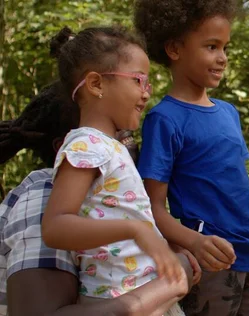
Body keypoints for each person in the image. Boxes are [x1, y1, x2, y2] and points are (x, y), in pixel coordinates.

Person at [0, 81, 198, 315]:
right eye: (117, 136)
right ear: (68, 148)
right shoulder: (43, 198)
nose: (129, 146)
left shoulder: (105, 197)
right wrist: (172, 282)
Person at [39, 26, 191, 314]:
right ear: (96, 84)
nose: (147, 94)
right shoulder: (86, 146)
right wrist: (135, 230)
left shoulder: (111, 147)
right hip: (117, 298)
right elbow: (56, 227)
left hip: (148, 293)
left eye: (148, 84)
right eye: (138, 80)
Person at [134, 0, 249, 314]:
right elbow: (151, 208)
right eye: (211, 46)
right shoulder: (165, 119)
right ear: (174, 49)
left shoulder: (229, 113)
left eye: (225, 48)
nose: (222, 58)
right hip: (209, 265)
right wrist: (194, 242)